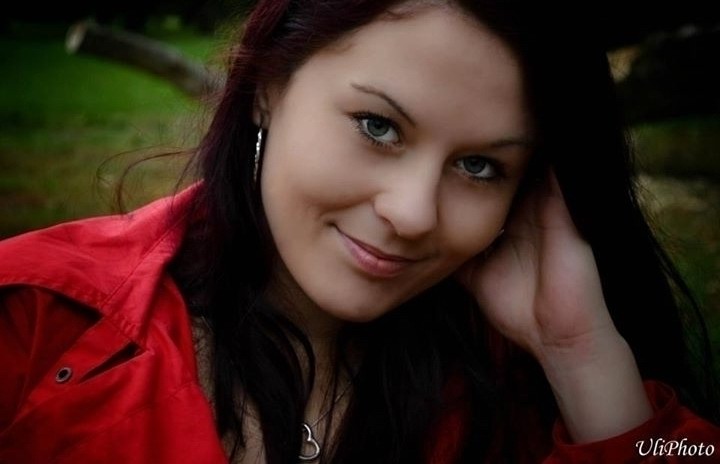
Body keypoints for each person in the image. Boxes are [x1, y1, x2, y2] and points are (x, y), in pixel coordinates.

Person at [1, 0, 719, 462]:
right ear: (267, 88)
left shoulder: (524, 396)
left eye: (479, 166)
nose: (414, 213)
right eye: (378, 126)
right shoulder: (31, 322)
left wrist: (581, 356)